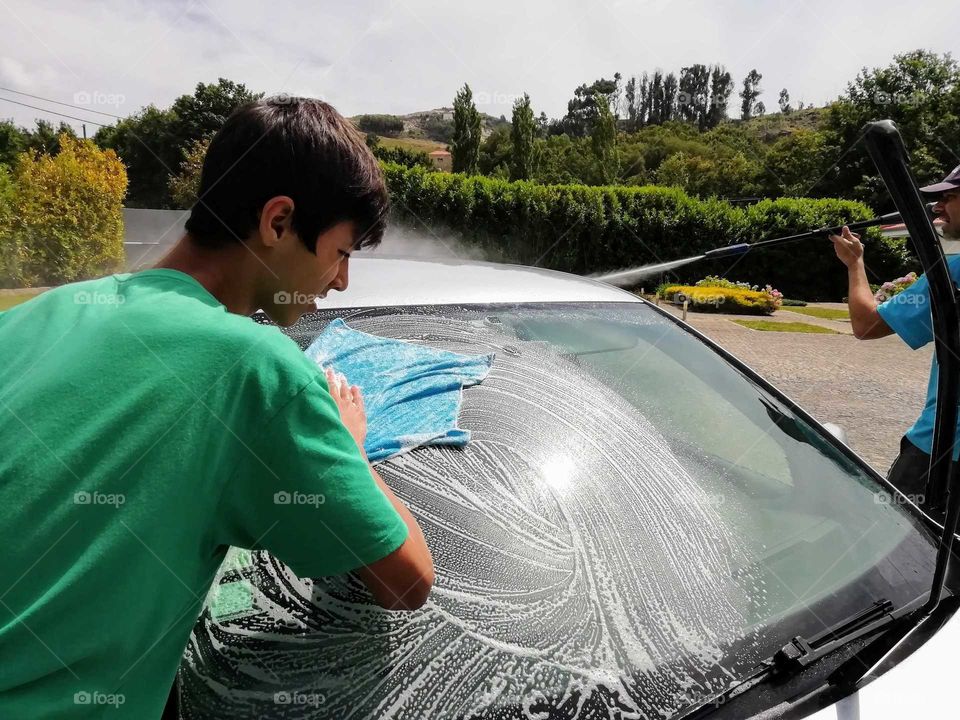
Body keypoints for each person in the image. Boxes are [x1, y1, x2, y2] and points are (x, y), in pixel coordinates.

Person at [0, 97, 434, 718]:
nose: (340, 282)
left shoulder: (39, 314)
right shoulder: (258, 369)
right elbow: (407, 579)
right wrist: (351, 450)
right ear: (279, 222)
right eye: (342, 252)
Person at [830, 164, 960, 520]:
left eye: (948, 197)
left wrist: (855, 264)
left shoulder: (955, 272)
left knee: (898, 557)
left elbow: (867, 325)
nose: (937, 207)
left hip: (942, 454)